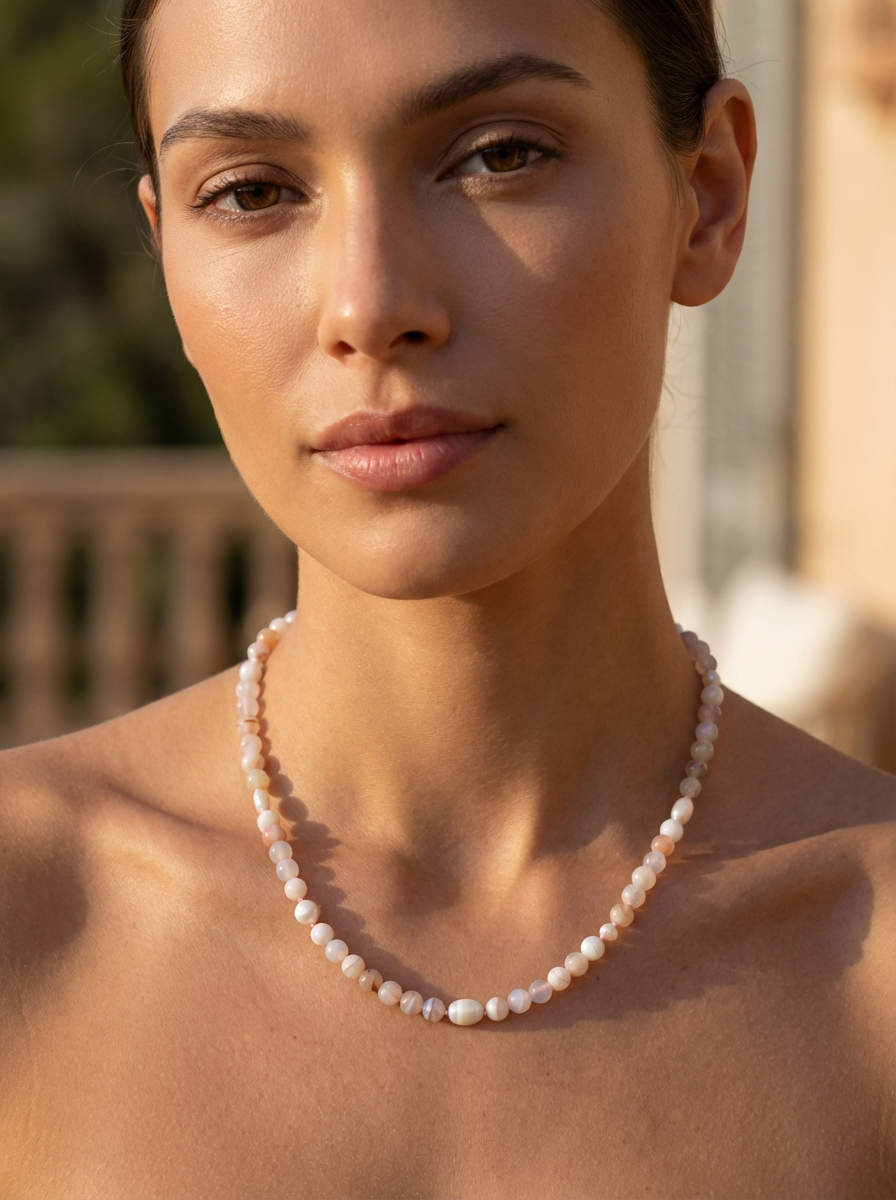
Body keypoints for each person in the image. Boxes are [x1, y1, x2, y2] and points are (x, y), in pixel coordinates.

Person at [1, 0, 893, 1196]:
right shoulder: (28, 911)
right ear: (165, 249)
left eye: (498, 156)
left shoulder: (872, 966)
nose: (371, 307)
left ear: (710, 195)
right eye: (254, 191)